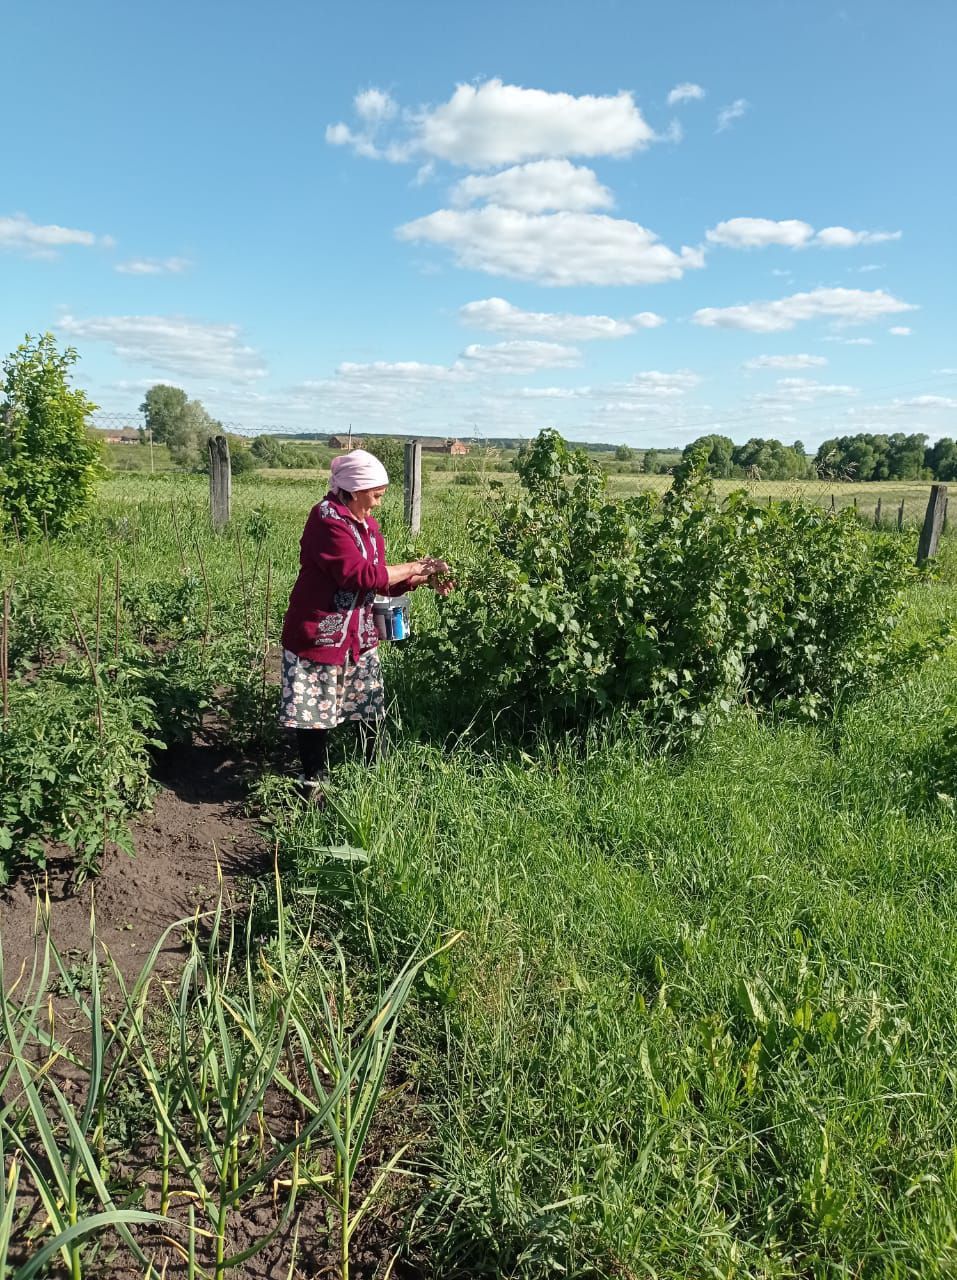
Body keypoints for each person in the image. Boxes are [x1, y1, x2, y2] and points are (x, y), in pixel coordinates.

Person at [279, 448, 450, 796]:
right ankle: (313, 782)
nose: (378, 503)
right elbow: (358, 575)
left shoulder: (367, 525)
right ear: (355, 489)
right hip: (320, 634)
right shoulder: (326, 519)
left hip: (358, 634)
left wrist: (423, 577)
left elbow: (380, 578)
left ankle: (374, 776)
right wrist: (413, 566)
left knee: (368, 704)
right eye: (376, 495)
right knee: (315, 711)